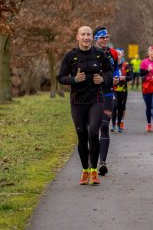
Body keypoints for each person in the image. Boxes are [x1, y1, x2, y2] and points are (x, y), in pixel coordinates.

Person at [57, 26, 112, 184]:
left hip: (96, 99)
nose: (86, 37)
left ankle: (94, 171)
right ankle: (85, 171)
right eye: (83, 34)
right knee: (81, 136)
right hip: (77, 101)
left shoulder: (100, 55)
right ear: (77, 37)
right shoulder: (71, 56)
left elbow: (109, 72)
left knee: (94, 132)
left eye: (88, 34)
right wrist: (74, 79)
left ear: (92, 37)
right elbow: (61, 77)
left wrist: (102, 79)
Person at [93, 26, 118, 176]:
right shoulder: (89, 53)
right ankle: (91, 160)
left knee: (104, 126)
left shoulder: (112, 53)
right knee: (92, 128)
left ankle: (102, 162)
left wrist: (114, 78)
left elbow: (115, 70)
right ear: (96, 38)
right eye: (102, 37)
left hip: (108, 94)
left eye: (107, 37)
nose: (105, 40)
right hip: (92, 95)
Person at [112, 49, 133, 132]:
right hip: (113, 89)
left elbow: (131, 77)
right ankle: (113, 124)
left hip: (123, 90)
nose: (117, 56)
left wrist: (125, 78)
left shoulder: (126, 65)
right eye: (116, 55)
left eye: (119, 55)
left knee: (121, 107)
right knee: (114, 106)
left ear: (122, 56)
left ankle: (119, 124)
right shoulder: (111, 65)